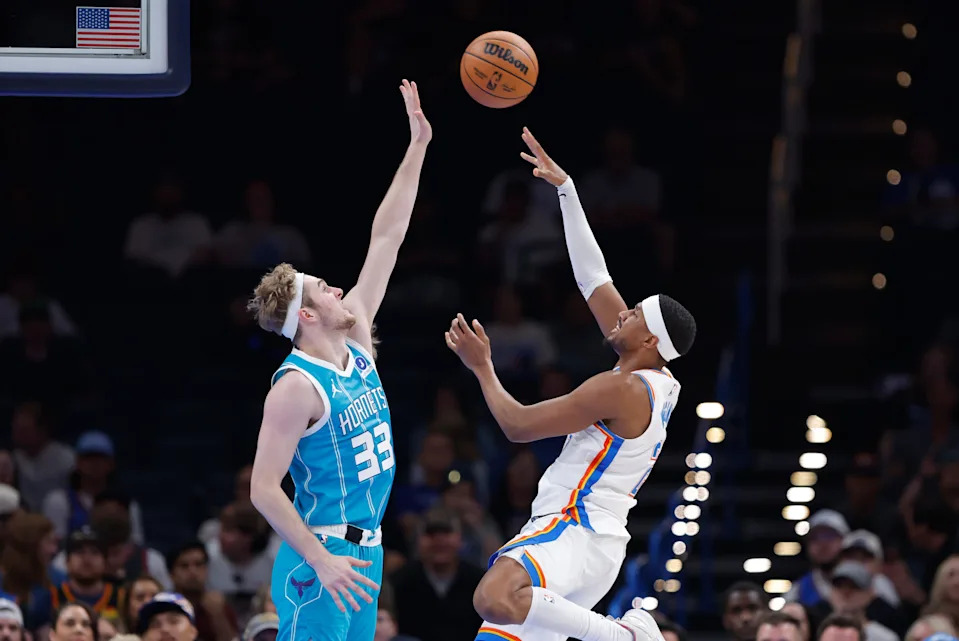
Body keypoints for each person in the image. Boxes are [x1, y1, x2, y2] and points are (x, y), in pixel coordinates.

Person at [443, 127, 696, 641]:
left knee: (491, 596)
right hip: (590, 543)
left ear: (649, 341)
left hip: (572, 529)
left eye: (634, 314)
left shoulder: (621, 389)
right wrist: (567, 189)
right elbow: (593, 278)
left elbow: (517, 426)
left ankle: (623, 637)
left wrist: (482, 367)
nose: (621, 313)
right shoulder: (653, 375)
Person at [246, 79, 431, 641]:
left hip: (366, 552)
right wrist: (319, 559)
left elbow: (387, 238)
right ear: (305, 315)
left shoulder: (356, 337)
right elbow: (263, 488)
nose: (338, 292)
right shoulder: (296, 386)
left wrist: (417, 145)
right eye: (325, 289)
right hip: (321, 554)